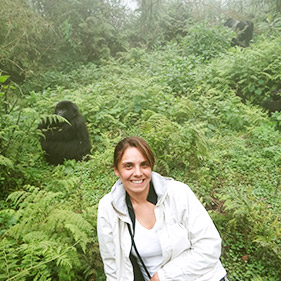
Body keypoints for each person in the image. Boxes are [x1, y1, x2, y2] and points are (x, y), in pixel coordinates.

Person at [97, 136, 228, 281]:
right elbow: (113, 265)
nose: (138, 172)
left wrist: (163, 276)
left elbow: (210, 246)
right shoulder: (108, 208)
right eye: (129, 166)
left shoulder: (178, 193)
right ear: (117, 170)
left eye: (144, 165)